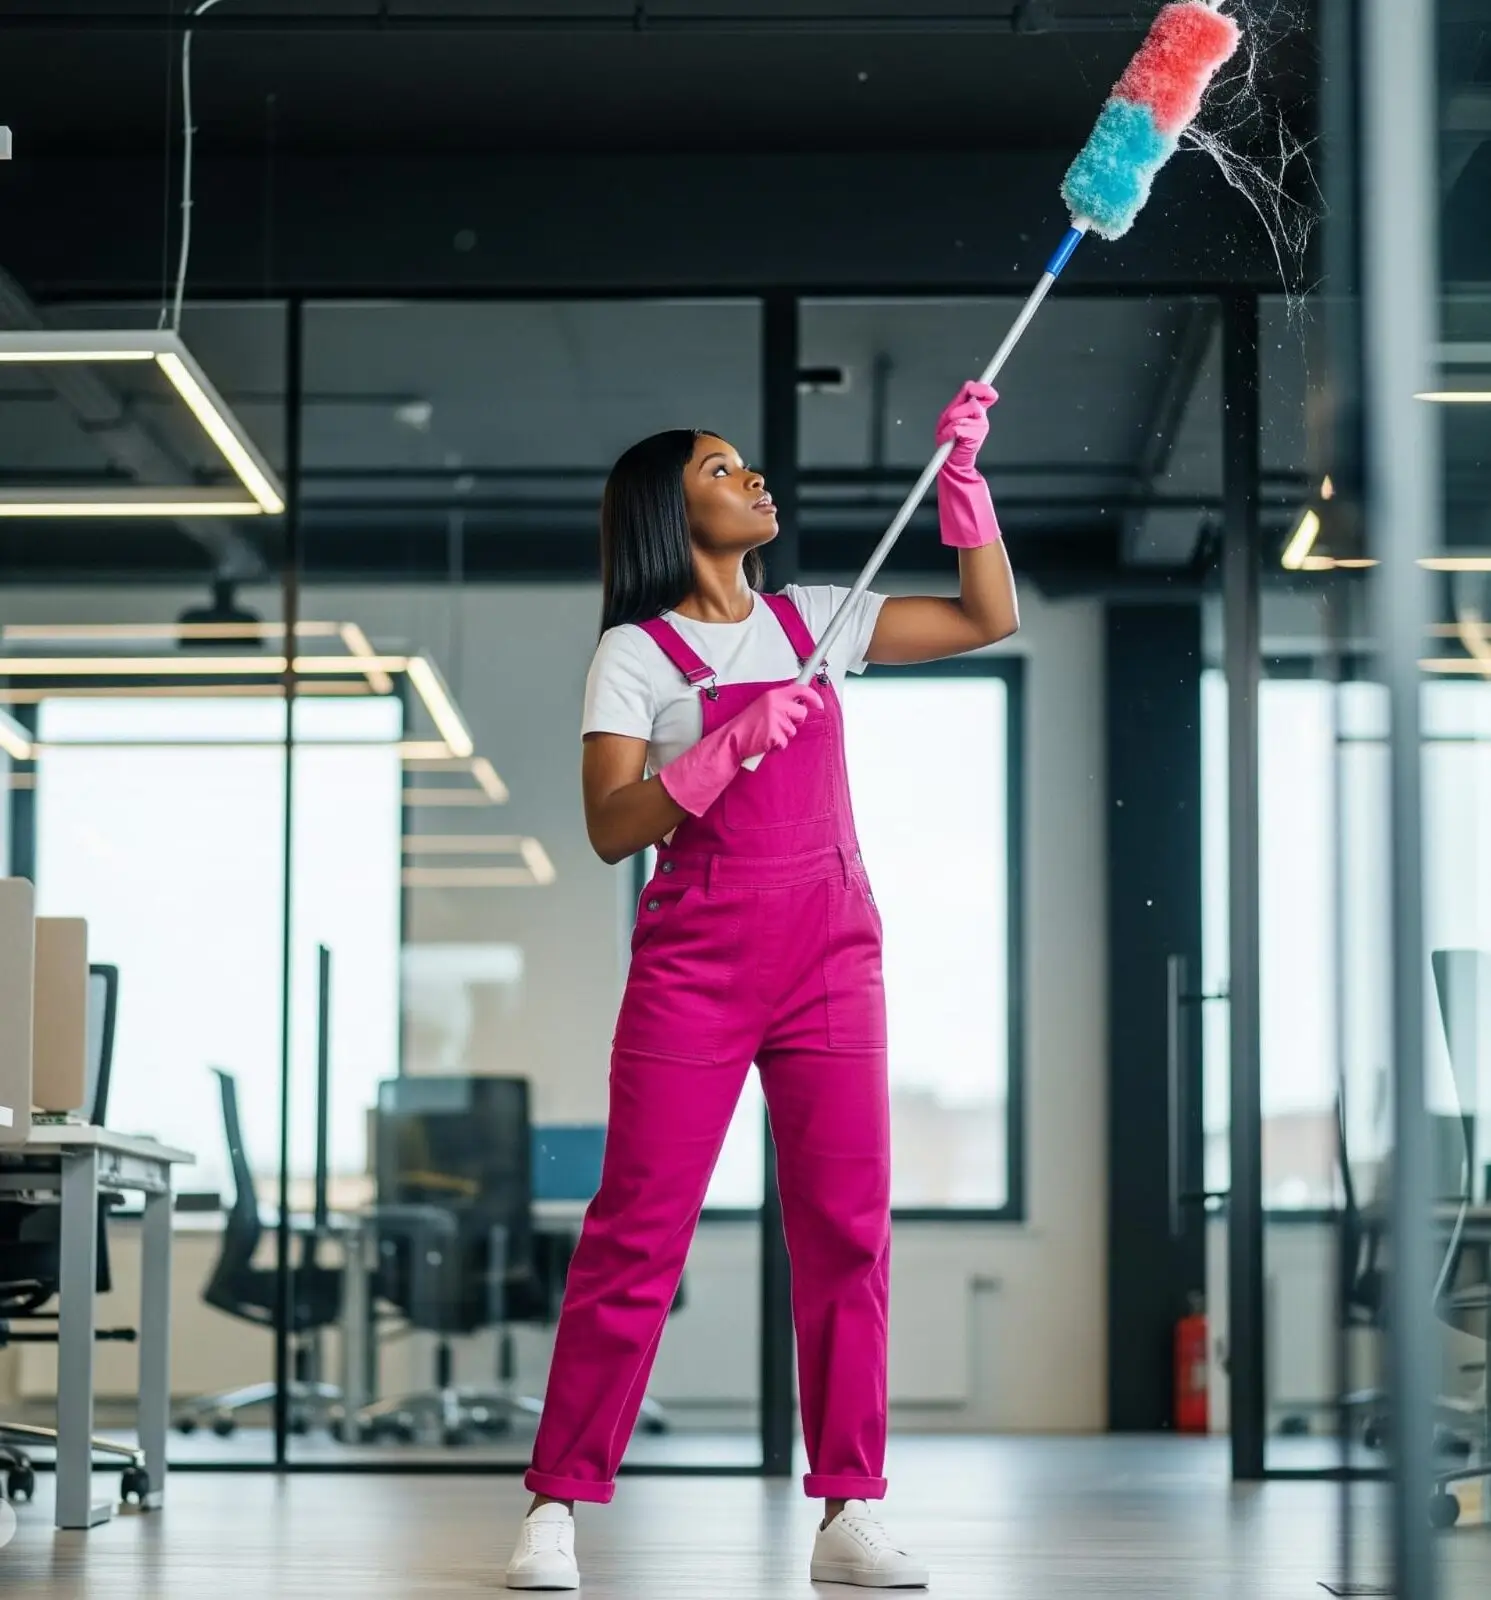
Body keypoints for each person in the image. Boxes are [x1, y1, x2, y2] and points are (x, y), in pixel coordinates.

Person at [504, 380, 1018, 1591]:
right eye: (723, 470)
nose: (754, 479)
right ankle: (556, 1506)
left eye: (748, 466)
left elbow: (986, 617)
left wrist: (965, 488)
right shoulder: (634, 654)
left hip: (834, 960)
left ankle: (850, 1508)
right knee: (637, 1231)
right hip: (695, 965)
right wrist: (722, 750)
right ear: (666, 510)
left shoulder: (817, 621)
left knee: (848, 1233)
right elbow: (608, 825)